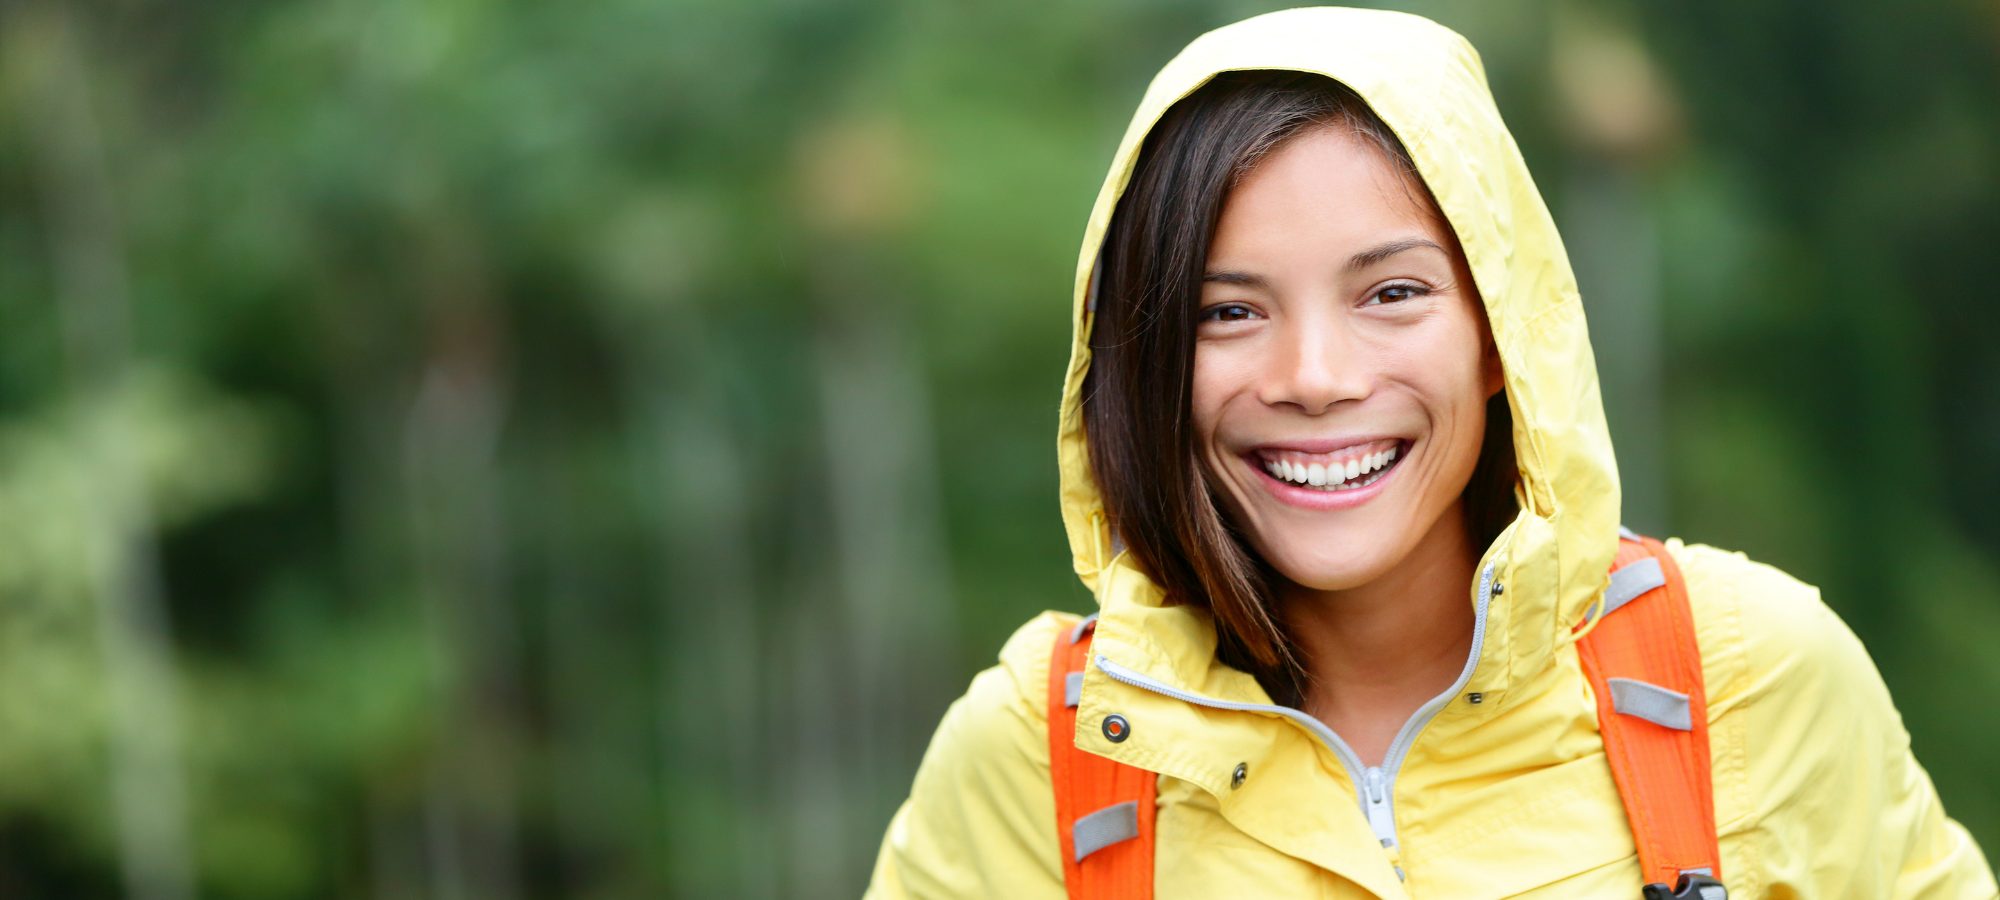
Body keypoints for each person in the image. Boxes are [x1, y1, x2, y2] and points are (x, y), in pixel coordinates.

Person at [866, 7, 1996, 897]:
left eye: (1392, 294)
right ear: (1144, 361)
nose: (1315, 377)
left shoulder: (1747, 675)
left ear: (1502, 332)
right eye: (1227, 312)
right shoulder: (1041, 752)